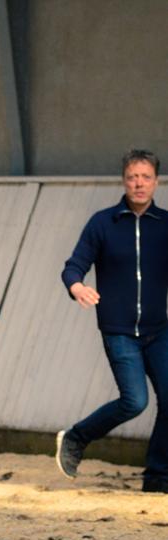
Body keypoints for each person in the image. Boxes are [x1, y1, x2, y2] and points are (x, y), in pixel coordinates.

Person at [57, 149, 168, 493]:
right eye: (133, 177)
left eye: (145, 177)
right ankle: (77, 437)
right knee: (135, 401)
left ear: (156, 182)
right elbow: (74, 265)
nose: (139, 183)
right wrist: (76, 286)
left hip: (159, 330)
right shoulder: (103, 223)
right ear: (124, 181)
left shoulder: (165, 224)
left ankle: (157, 476)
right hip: (119, 331)